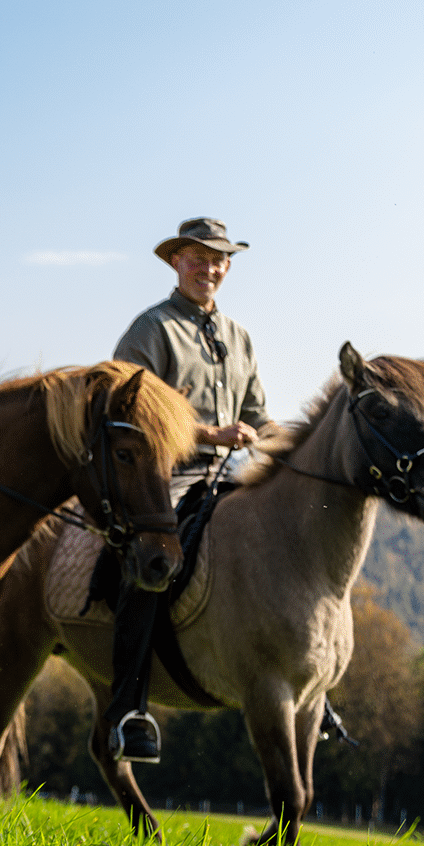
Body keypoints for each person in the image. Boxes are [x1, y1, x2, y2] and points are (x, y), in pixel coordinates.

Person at [101, 218, 276, 763]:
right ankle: (129, 711)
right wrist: (204, 433)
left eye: (219, 259)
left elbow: (259, 417)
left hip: (234, 471)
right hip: (168, 473)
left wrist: (286, 449)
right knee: (151, 564)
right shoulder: (150, 329)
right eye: (197, 258)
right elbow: (125, 412)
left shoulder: (239, 336)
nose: (209, 268)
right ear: (176, 262)